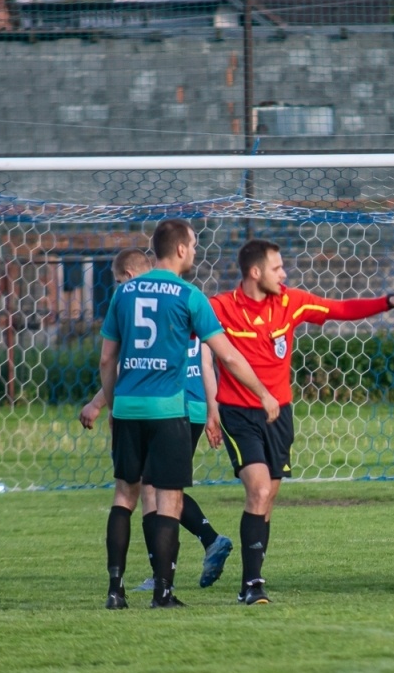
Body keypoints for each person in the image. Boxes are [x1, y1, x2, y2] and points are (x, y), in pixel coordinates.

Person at [210, 239, 394, 604]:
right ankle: (252, 584)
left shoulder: (290, 302)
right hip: (237, 413)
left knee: (268, 497)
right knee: (259, 490)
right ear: (255, 272)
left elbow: (340, 309)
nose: (284, 274)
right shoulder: (220, 308)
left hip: (279, 414)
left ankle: (252, 578)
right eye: (277, 268)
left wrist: (387, 301)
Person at [86, 220, 278, 610]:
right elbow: (225, 355)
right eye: (192, 244)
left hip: (127, 408)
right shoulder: (189, 296)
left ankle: (115, 591)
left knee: (125, 495)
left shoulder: (123, 294)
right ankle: (163, 593)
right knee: (169, 499)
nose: (194, 250)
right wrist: (262, 392)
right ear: (179, 250)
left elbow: (108, 358)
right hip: (168, 410)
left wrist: (112, 402)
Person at [80, 249, 234, 592]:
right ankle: (181, 563)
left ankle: (163, 572)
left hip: (164, 407)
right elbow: (209, 363)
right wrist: (213, 410)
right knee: (166, 489)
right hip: (186, 407)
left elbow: (119, 362)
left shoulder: (133, 301)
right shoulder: (187, 299)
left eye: (122, 280)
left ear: (133, 274)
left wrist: (101, 403)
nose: (121, 286)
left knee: (152, 493)